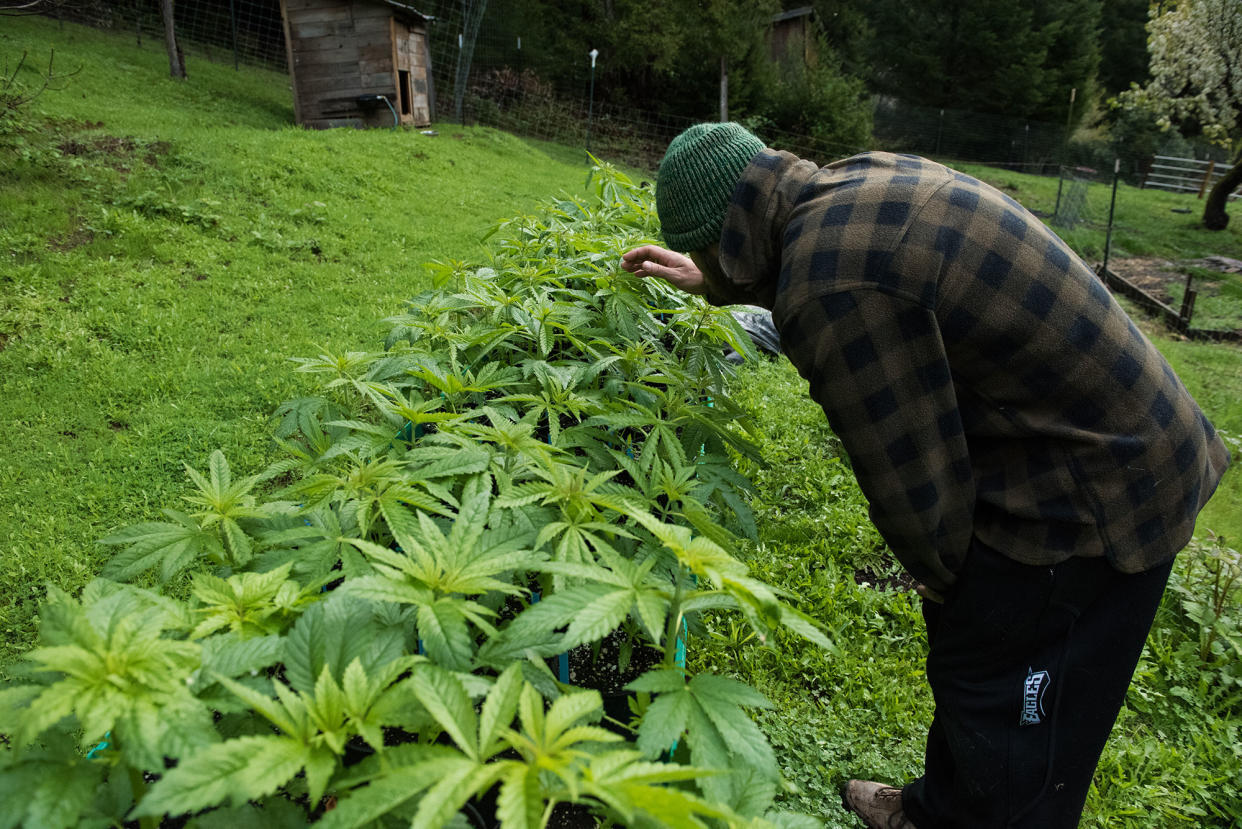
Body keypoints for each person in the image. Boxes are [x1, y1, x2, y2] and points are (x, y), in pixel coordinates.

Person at [621, 123, 1231, 829]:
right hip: (1102, 433)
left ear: (724, 240)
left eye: (704, 252)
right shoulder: (843, 185)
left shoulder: (829, 286)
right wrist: (718, 276)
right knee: (974, 660)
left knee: (1007, 702)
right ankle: (933, 808)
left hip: (1105, 492)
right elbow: (868, 281)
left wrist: (952, 595)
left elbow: (918, 495)